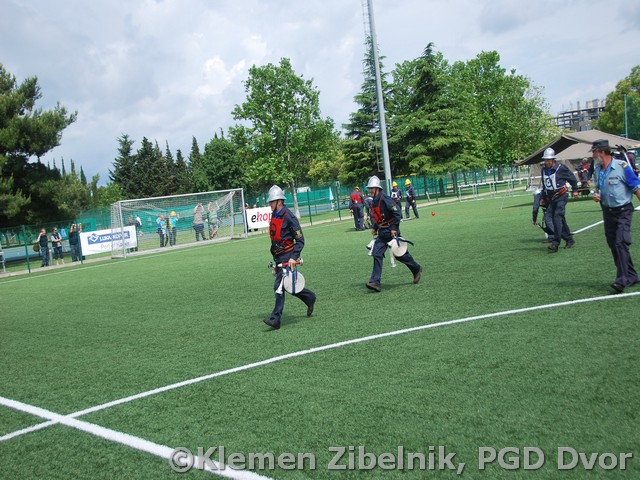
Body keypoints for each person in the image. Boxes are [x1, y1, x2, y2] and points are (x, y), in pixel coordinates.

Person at [590, 139, 640, 293]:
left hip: (623, 211)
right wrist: (597, 195)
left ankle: (621, 280)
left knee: (620, 243)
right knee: (614, 245)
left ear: (602, 152)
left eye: (594, 152)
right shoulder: (598, 170)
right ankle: (632, 276)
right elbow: (598, 188)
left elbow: (636, 187)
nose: (592, 155)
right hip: (608, 211)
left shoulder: (621, 167)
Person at [264, 185, 316, 330]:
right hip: (278, 257)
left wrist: (294, 257)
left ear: (279, 202)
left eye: (272, 201)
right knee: (289, 286)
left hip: (288, 257)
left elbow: (300, 240)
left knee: (279, 286)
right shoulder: (275, 215)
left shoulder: (289, 217)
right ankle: (309, 297)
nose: (270, 204)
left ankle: (275, 319)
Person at [365, 175, 422, 292]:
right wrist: (375, 227)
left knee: (401, 255)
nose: (370, 191)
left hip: (391, 231)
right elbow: (376, 216)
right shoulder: (373, 201)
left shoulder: (385, 198)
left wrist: (394, 228)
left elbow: (397, 212)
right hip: (382, 233)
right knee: (377, 254)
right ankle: (375, 282)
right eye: (369, 188)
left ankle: (416, 269)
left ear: (377, 189)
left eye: (372, 188)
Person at [540, 147, 579, 252]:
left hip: (561, 196)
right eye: (546, 160)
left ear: (553, 159)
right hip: (551, 198)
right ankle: (569, 239)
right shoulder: (543, 170)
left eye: (549, 160)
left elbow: (572, 179)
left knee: (557, 217)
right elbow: (545, 185)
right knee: (560, 219)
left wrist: (575, 190)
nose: (547, 162)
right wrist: (543, 197)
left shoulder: (561, 168)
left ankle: (555, 243)